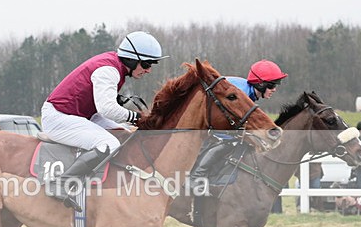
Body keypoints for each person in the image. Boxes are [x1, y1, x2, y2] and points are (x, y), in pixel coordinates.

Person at [40, 31, 169, 209]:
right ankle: (61, 183)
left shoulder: (115, 66)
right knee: (109, 144)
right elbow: (106, 109)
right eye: (146, 64)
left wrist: (134, 122)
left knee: (124, 134)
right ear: (132, 59)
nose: (149, 70)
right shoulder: (109, 70)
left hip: (82, 115)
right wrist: (136, 117)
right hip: (59, 116)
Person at [187, 60, 288, 195]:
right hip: (200, 118)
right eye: (272, 85)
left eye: (276, 85)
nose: (274, 89)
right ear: (260, 84)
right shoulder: (243, 92)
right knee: (228, 142)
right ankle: (195, 177)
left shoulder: (250, 92)